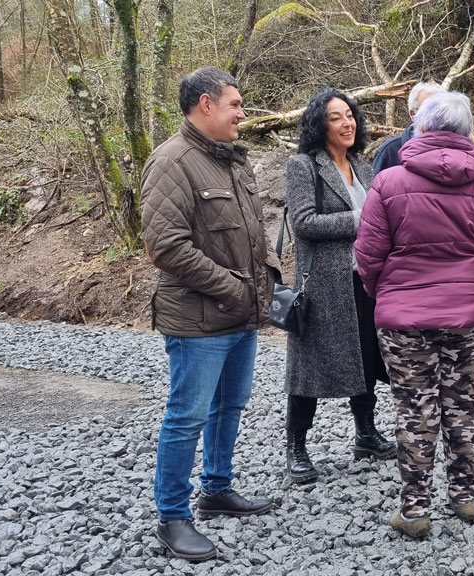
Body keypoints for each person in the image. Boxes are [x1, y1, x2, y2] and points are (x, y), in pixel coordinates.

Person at [355, 92, 474, 537]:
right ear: (466, 134)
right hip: (467, 315)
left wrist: (386, 293)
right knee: (463, 404)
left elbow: (368, 256)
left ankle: (415, 510)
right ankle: (463, 498)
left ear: (420, 129)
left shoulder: (388, 183)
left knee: (414, 409)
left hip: (405, 320)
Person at [141, 67, 280, 561]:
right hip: (198, 318)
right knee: (187, 416)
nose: (243, 114)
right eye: (235, 105)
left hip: (239, 314)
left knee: (230, 405)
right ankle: (173, 517)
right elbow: (166, 246)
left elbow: (249, 232)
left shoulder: (232, 161)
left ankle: (217, 489)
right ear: (205, 105)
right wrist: (232, 288)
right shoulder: (171, 162)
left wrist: (270, 276)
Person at [281, 88, 396, 485]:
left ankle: (365, 434)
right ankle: (297, 447)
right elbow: (304, 223)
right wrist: (362, 219)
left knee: (366, 358)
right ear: (319, 124)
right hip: (322, 286)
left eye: (350, 115)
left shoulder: (364, 168)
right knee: (308, 369)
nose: (347, 123)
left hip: (362, 281)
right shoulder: (303, 166)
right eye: (336, 117)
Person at [371, 81, 445, 172]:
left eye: (441, 110)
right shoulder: (390, 152)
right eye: (429, 110)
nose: (437, 116)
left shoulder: (460, 147)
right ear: (413, 114)